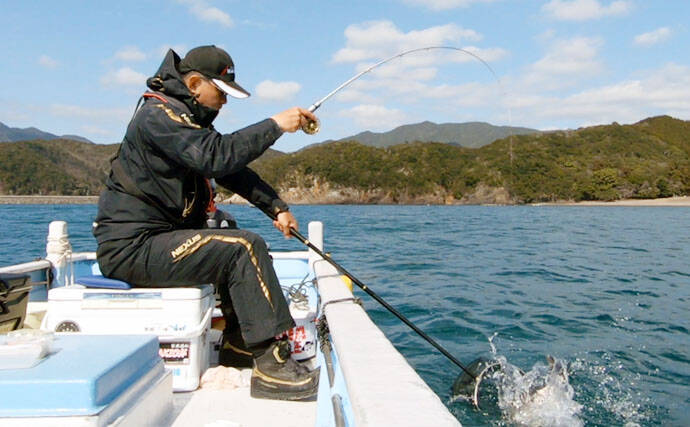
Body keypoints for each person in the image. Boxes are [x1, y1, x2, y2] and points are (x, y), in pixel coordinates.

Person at [93, 45, 319, 401]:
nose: (224, 102)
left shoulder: (184, 123)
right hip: (132, 249)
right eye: (222, 93)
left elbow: (231, 170)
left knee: (231, 239)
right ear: (195, 84)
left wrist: (276, 207)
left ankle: (239, 347)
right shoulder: (158, 117)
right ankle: (272, 367)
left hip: (158, 241)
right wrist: (275, 125)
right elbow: (216, 157)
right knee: (242, 248)